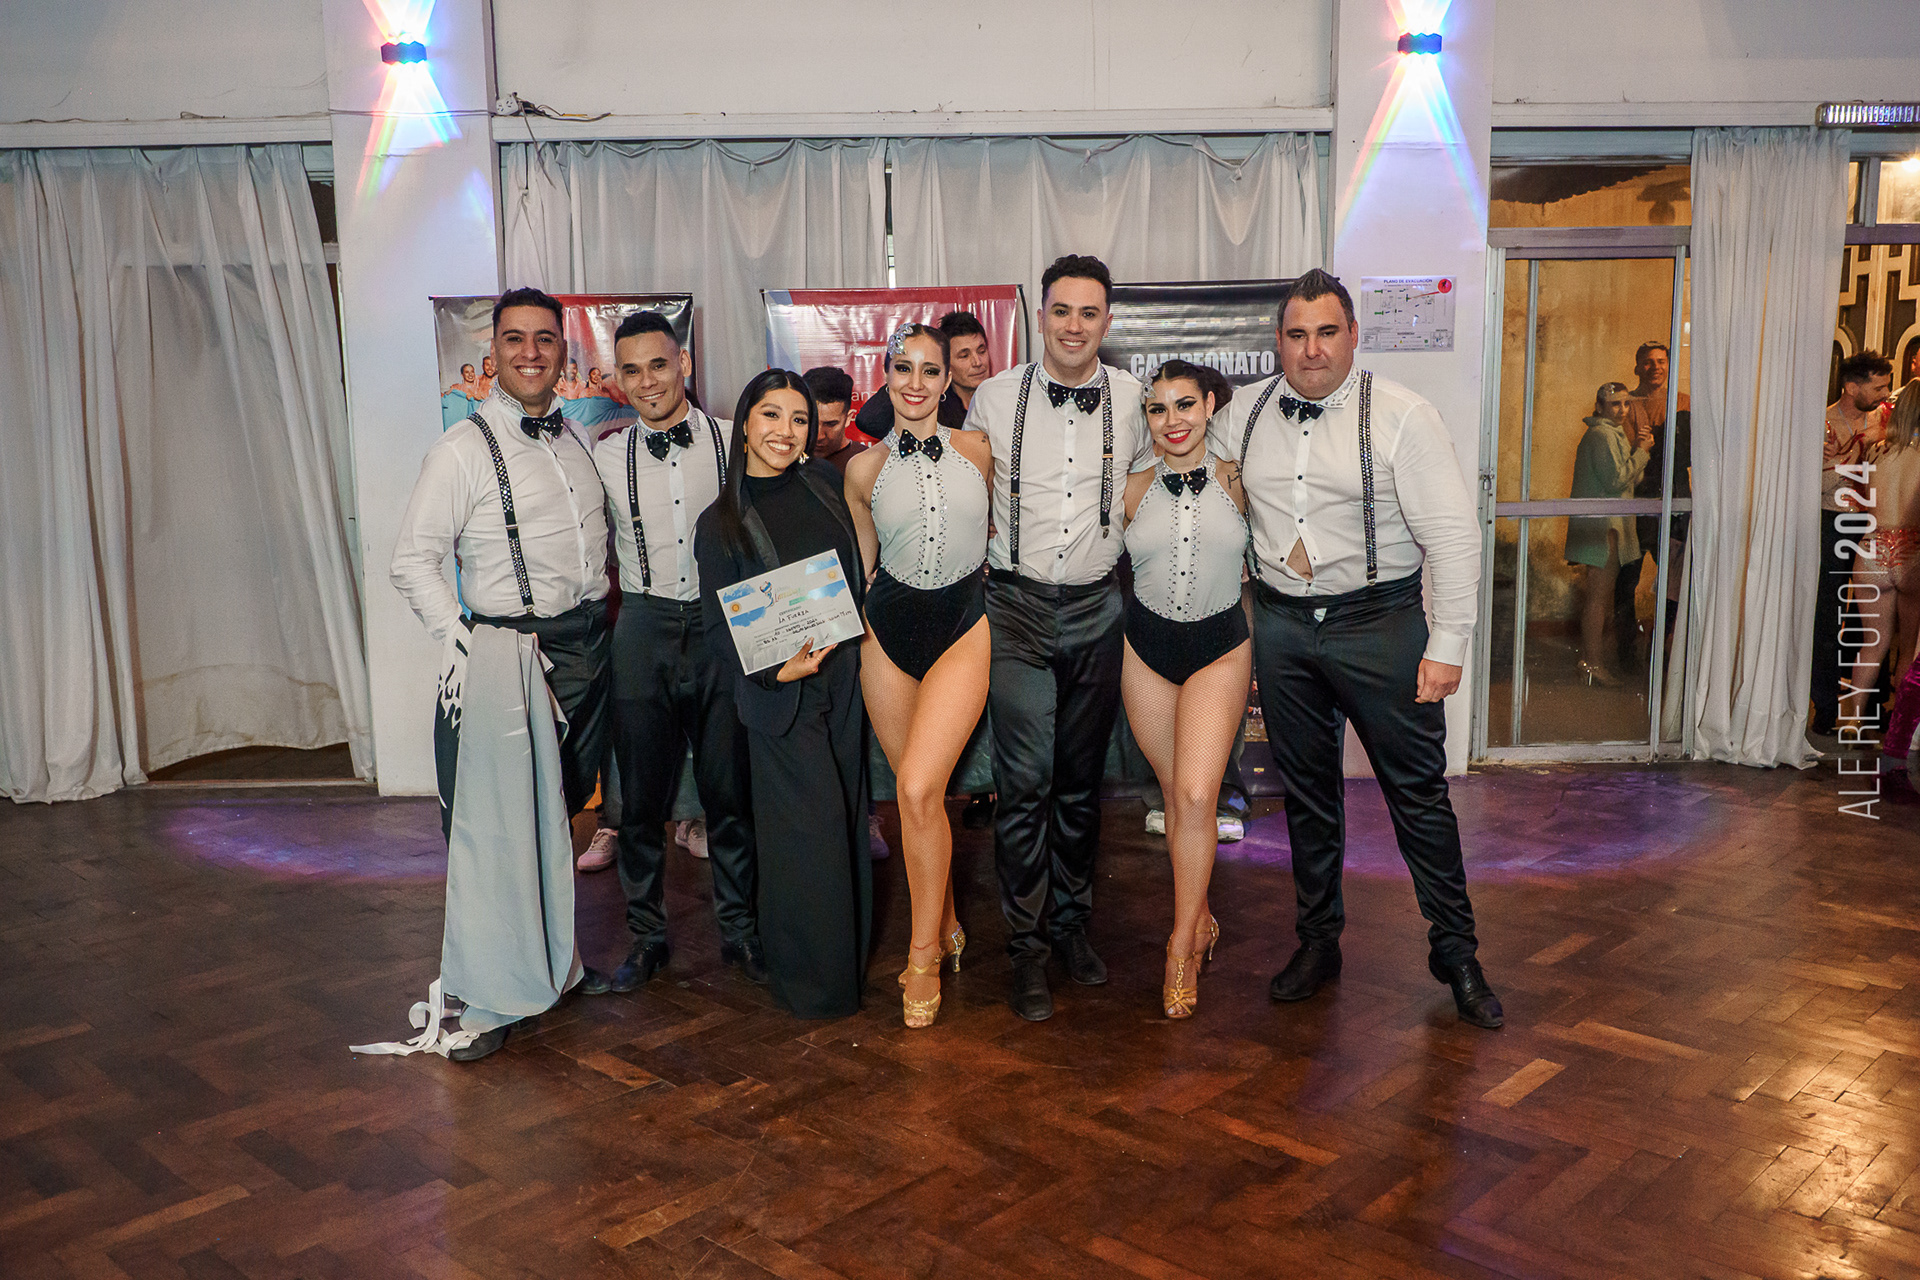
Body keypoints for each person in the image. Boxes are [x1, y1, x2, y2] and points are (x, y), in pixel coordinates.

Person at [1214, 268, 1500, 1030]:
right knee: (1308, 797)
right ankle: (1318, 943)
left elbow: (1454, 537)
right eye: (1297, 335)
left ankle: (1457, 954)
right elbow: (1190, 459)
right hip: (1282, 628)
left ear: (1353, 336)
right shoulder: (1243, 412)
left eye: (1327, 333)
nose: (1312, 350)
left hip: (1381, 625)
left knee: (1418, 796)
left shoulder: (1403, 416)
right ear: (1277, 342)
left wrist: (1448, 644)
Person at [389, 286, 615, 1059]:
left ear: (563, 350)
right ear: (493, 353)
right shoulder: (461, 450)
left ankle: (551, 964)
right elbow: (412, 562)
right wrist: (470, 648)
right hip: (509, 654)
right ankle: (489, 1000)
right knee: (494, 830)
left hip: (586, 645)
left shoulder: (574, 439)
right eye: (515, 339)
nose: (530, 352)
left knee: (561, 815)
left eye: (544, 338)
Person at [966, 254, 1154, 1022]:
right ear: (1040, 315)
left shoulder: (1136, 399)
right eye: (1061, 310)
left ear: (1107, 321)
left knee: (1079, 784)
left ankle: (1072, 926)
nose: (1074, 326)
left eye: (1089, 313)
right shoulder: (993, 396)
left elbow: (1157, 488)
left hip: (1098, 609)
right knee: (1026, 782)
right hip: (1012, 608)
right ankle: (1026, 949)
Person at [586, 309, 765, 992]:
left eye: (658, 364)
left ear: (683, 364)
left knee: (729, 793)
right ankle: (647, 938)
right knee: (638, 802)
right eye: (630, 370)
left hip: (722, 626)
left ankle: (741, 932)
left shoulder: (734, 439)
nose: (646, 382)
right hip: (643, 626)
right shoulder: (602, 453)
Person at [695, 370, 872, 1019]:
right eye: (771, 415)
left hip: (844, 682)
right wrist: (777, 673)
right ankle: (811, 987)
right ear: (744, 423)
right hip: (783, 698)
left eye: (799, 419)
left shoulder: (824, 483)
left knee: (847, 823)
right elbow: (718, 630)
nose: (785, 430)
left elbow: (851, 574)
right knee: (808, 838)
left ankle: (845, 972)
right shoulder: (719, 523)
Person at [844, 324, 991, 1027]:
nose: (915, 383)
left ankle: (924, 951)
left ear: (946, 381)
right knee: (915, 802)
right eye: (903, 368)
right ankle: (949, 920)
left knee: (916, 787)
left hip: (962, 626)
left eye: (930, 371)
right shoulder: (862, 470)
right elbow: (861, 565)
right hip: (887, 634)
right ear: (886, 375)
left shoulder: (978, 450)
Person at [1121, 360, 1250, 1019]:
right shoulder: (1131, 489)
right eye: (1158, 408)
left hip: (1219, 647)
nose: (1172, 420)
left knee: (1200, 794)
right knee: (1175, 796)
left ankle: (1180, 947)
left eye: (1184, 405)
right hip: (1145, 649)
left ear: (1208, 408)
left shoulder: (1238, 480)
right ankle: (1198, 917)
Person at [1817, 352, 1895, 733]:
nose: (1885, 394)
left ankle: (1871, 705)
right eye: (1878, 387)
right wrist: (1845, 469)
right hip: (1831, 521)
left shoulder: (1886, 421)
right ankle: (1825, 706)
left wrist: (1840, 466)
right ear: (1851, 387)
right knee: (1828, 614)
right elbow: (1814, 483)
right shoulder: (1822, 423)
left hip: (1874, 523)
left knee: (1874, 616)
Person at [1565, 382, 1651, 687]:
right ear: (1600, 407)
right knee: (1598, 599)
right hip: (1605, 527)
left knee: (1599, 598)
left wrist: (1638, 449)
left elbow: (1631, 479)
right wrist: (1641, 452)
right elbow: (1616, 480)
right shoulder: (1601, 435)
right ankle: (1593, 664)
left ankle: (1591, 662)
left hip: (1609, 525)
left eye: (1626, 404)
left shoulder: (1614, 434)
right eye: (1615, 404)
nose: (1622, 410)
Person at [1843, 381, 1918, 723]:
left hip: (1872, 547)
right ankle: (1901, 727)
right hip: (1912, 552)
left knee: (1872, 644)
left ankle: (1851, 721)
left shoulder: (1874, 451)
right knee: (1909, 649)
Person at [1612, 341, 1688, 670]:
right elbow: (1625, 452)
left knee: (1675, 580)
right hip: (1636, 503)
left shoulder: (1685, 403)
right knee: (1626, 579)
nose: (1655, 367)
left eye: (1661, 361)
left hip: (1675, 502)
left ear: (1669, 365)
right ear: (1637, 367)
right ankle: (1627, 650)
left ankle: (1664, 644)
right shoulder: (1625, 404)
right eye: (1648, 362)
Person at [805, 366, 869, 473]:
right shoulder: (787, 459)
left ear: (848, 418)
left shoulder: (869, 464)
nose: (819, 436)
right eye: (811, 422)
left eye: (830, 424)